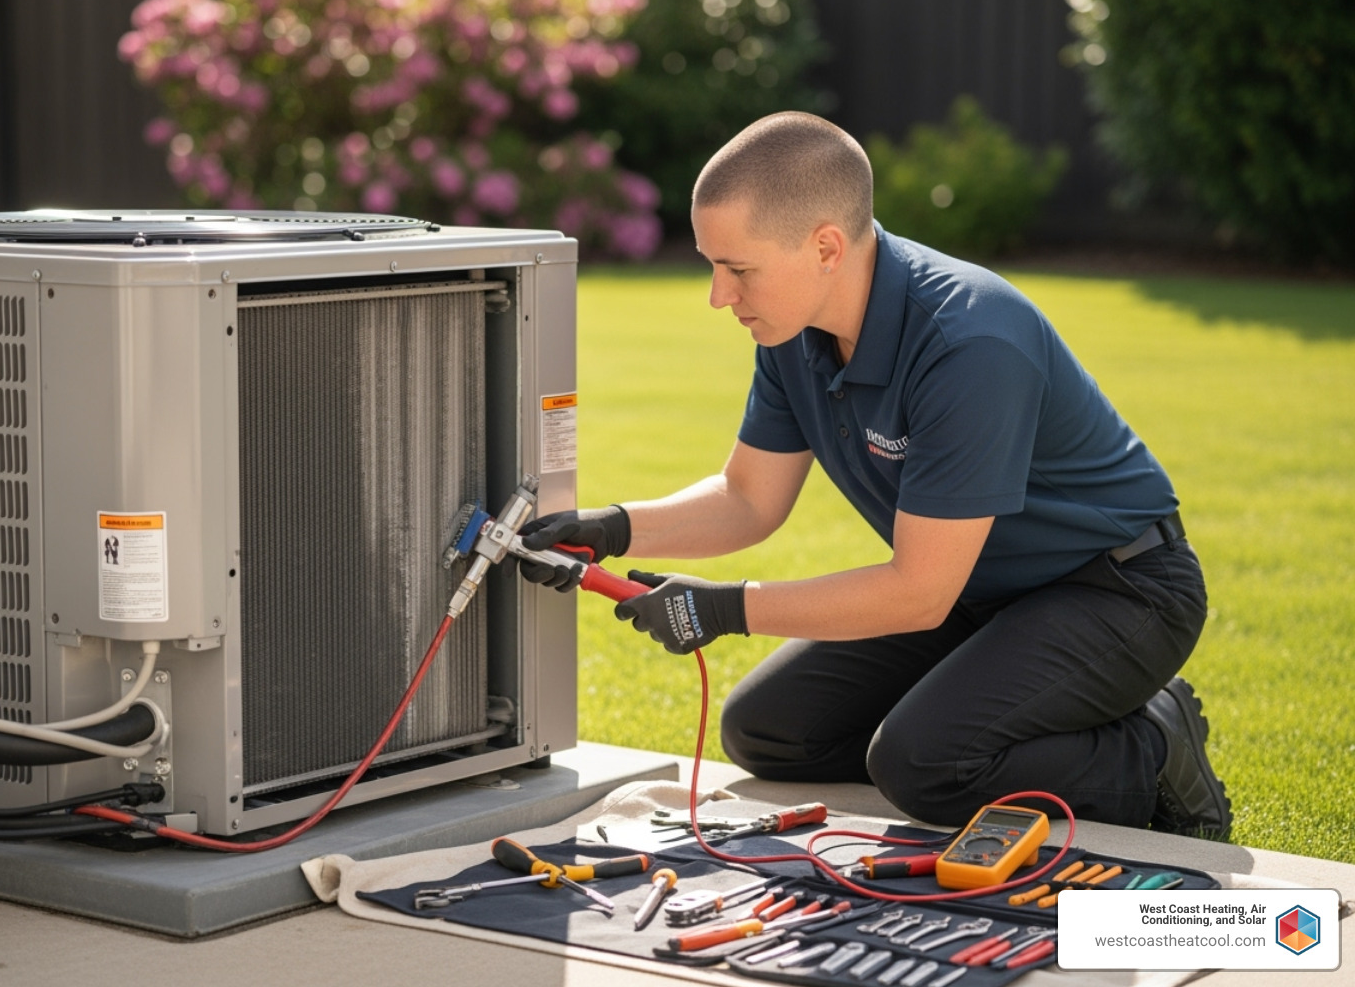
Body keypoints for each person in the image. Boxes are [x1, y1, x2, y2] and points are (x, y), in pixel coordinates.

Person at [521, 112, 1231, 836]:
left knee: (923, 764)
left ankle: (1153, 746)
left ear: (826, 246)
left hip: (1117, 590)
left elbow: (919, 592)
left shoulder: (970, 342)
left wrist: (724, 609)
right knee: (768, 732)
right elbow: (747, 499)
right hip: (980, 593)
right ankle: (986, 718)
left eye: (738, 269)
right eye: (712, 264)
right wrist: (610, 530)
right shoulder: (795, 332)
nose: (718, 296)